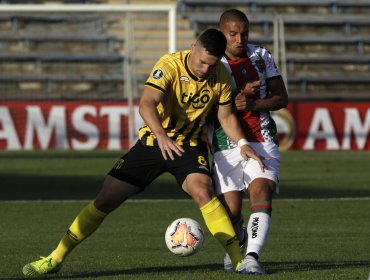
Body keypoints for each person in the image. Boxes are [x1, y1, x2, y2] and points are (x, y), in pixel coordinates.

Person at [22, 28, 268, 276]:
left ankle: (240, 261)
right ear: (193, 48)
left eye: (211, 65)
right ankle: (55, 258)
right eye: (202, 62)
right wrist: (161, 136)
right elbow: (146, 103)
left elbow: (225, 117)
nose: (205, 69)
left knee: (203, 191)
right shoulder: (169, 65)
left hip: (189, 146)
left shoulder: (221, 75)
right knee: (105, 200)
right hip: (153, 143)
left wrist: (242, 144)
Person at [208, 9, 289, 275]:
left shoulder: (261, 56)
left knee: (261, 190)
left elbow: (281, 98)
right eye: (233, 34)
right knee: (231, 211)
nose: (239, 39)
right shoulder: (211, 62)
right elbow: (207, 109)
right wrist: (237, 97)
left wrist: (254, 103)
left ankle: (252, 257)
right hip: (224, 141)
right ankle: (238, 236)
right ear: (222, 34)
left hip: (261, 139)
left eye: (244, 33)